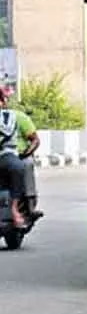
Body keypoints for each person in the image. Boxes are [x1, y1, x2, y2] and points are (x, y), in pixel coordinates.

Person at [0, 90, 40, 226]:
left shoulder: (17, 117)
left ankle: (28, 205)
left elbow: (35, 140)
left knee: (26, 164)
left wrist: (26, 153)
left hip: (19, 155)